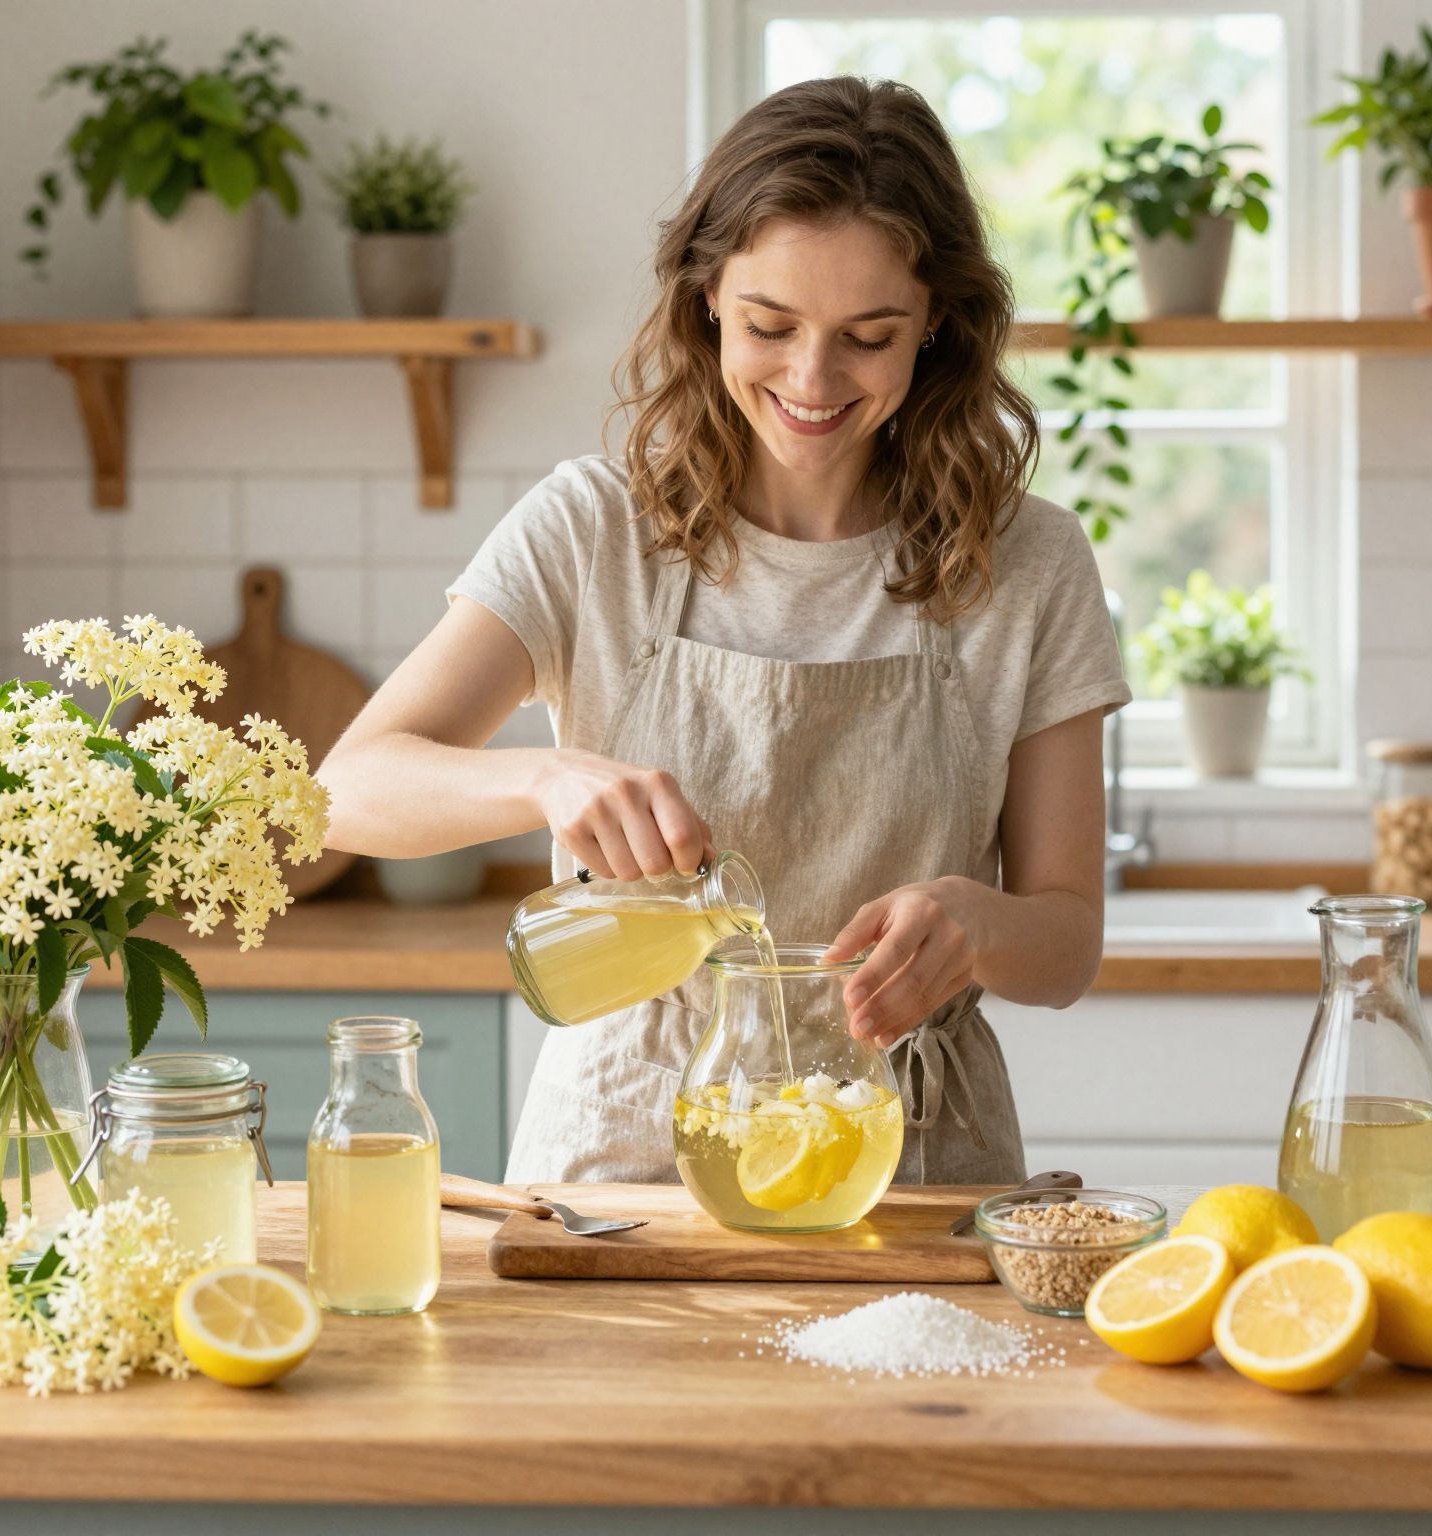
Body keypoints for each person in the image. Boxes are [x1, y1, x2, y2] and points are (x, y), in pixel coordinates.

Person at [317, 76, 1130, 1185]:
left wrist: (975, 922)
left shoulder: (1028, 563)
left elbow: (1066, 942)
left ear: (935, 321)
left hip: (910, 1167)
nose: (811, 378)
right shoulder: (592, 528)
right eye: (769, 325)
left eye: (867, 336)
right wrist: (543, 781)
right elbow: (344, 791)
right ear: (706, 296)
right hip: (625, 1167)